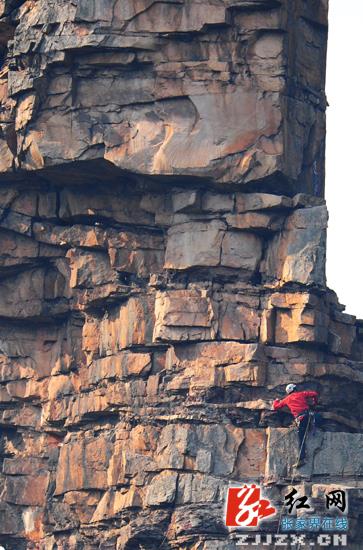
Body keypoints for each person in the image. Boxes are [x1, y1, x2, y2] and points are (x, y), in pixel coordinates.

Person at [273, 384, 323, 467]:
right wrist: (315, 402)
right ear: (295, 389)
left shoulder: (287, 399)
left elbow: (276, 407)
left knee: (301, 438)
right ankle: (316, 426)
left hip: (301, 419)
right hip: (309, 415)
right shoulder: (301, 394)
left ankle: (301, 459)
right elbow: (314, 394)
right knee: (319, 417)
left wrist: (276, 400)